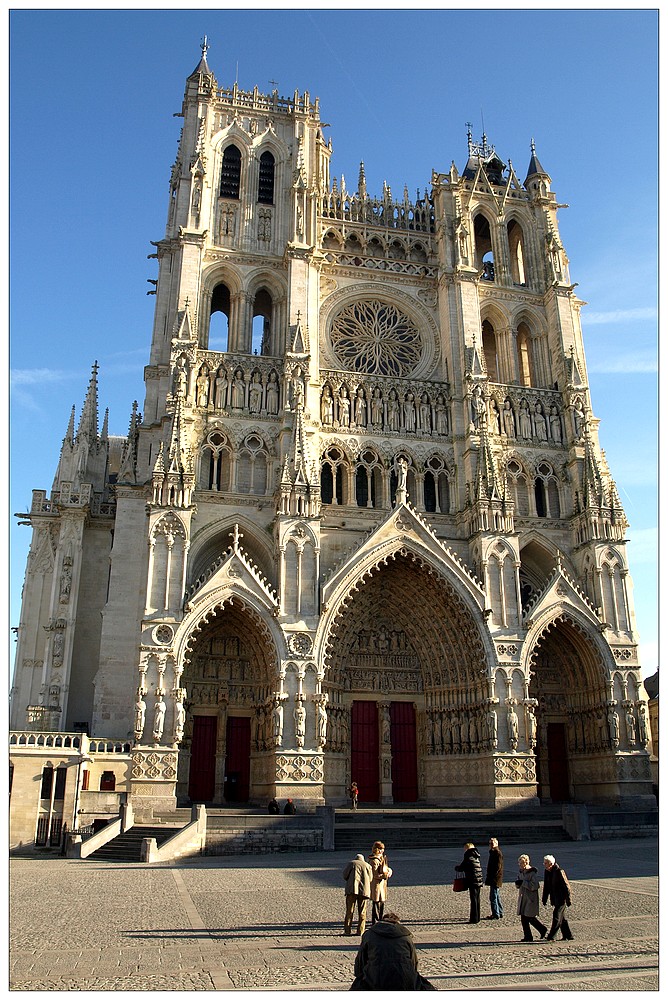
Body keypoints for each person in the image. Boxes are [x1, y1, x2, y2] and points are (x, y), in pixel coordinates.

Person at [350, 912, 436, 990]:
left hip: (376, 978)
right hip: (405, 978)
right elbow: (413, 962)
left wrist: (361, 976)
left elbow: (360, 962)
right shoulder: (406, 937)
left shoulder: (369, 935)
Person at [515, 854, 548, 942]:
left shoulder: (531, 873)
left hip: (530, 898)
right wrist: (518, 884)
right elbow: (520, 883)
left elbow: (535, 886)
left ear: (525, 863)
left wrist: (523, 883)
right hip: (523, 897)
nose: (519, 865)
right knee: (524, 918)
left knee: (529, 917)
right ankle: (529, 936)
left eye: (521, 863)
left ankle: (540, 930)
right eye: (519, 863)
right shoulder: (521, 872)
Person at [542, 855, 574, 941]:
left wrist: (568, 899)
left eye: (545, 863)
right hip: (555, 897)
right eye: (544, 863)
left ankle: (551, 936)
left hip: (561, 898)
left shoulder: (559, 871)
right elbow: (546, 886)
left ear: (551, 864)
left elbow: (566, 886)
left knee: (556, 916)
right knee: (561, 918)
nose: (544, 865)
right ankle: (568, 935)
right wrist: (544, 898)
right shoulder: (547, 872)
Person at [342, 853, 373, 936]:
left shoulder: (351, 863)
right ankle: (360, 931)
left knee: (350, 911)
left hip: (352, 890)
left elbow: (345, 875)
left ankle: (347, 930)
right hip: (364, 891)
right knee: (362, 912)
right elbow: (370, 878)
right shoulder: (368, 865)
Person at [455, 842, 484, 924]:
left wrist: (457, 868)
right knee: (477, 899)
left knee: (473, 900)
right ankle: (477, 917)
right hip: (478, 880)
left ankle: (474, 918)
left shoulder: (468, 856)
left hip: (472, 880)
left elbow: (462, 867)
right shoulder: (476, 856)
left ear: (467, 848)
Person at [368, 841, 393, 924]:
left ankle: (380, 919)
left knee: (381, 902)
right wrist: (385, 875)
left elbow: (385, 867)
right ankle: (375, 921)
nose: (383, 851)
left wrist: (389, 870)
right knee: (376, 903)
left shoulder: (381, 858)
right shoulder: (374, 860)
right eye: (381, 849)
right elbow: (375, 874)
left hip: (381, 885)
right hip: (376, 884)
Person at [484, 837, 504, 919]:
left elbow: (497, 867)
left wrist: (492, 876)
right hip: (495, 878)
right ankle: (500, 911)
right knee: (496, 895)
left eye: (492, 843)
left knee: (493, 896)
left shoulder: (497, 853)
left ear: (496, 844)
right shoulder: (493, 852)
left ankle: (495, 914)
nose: (491, 845)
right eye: (490, 843)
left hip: (495, 878)